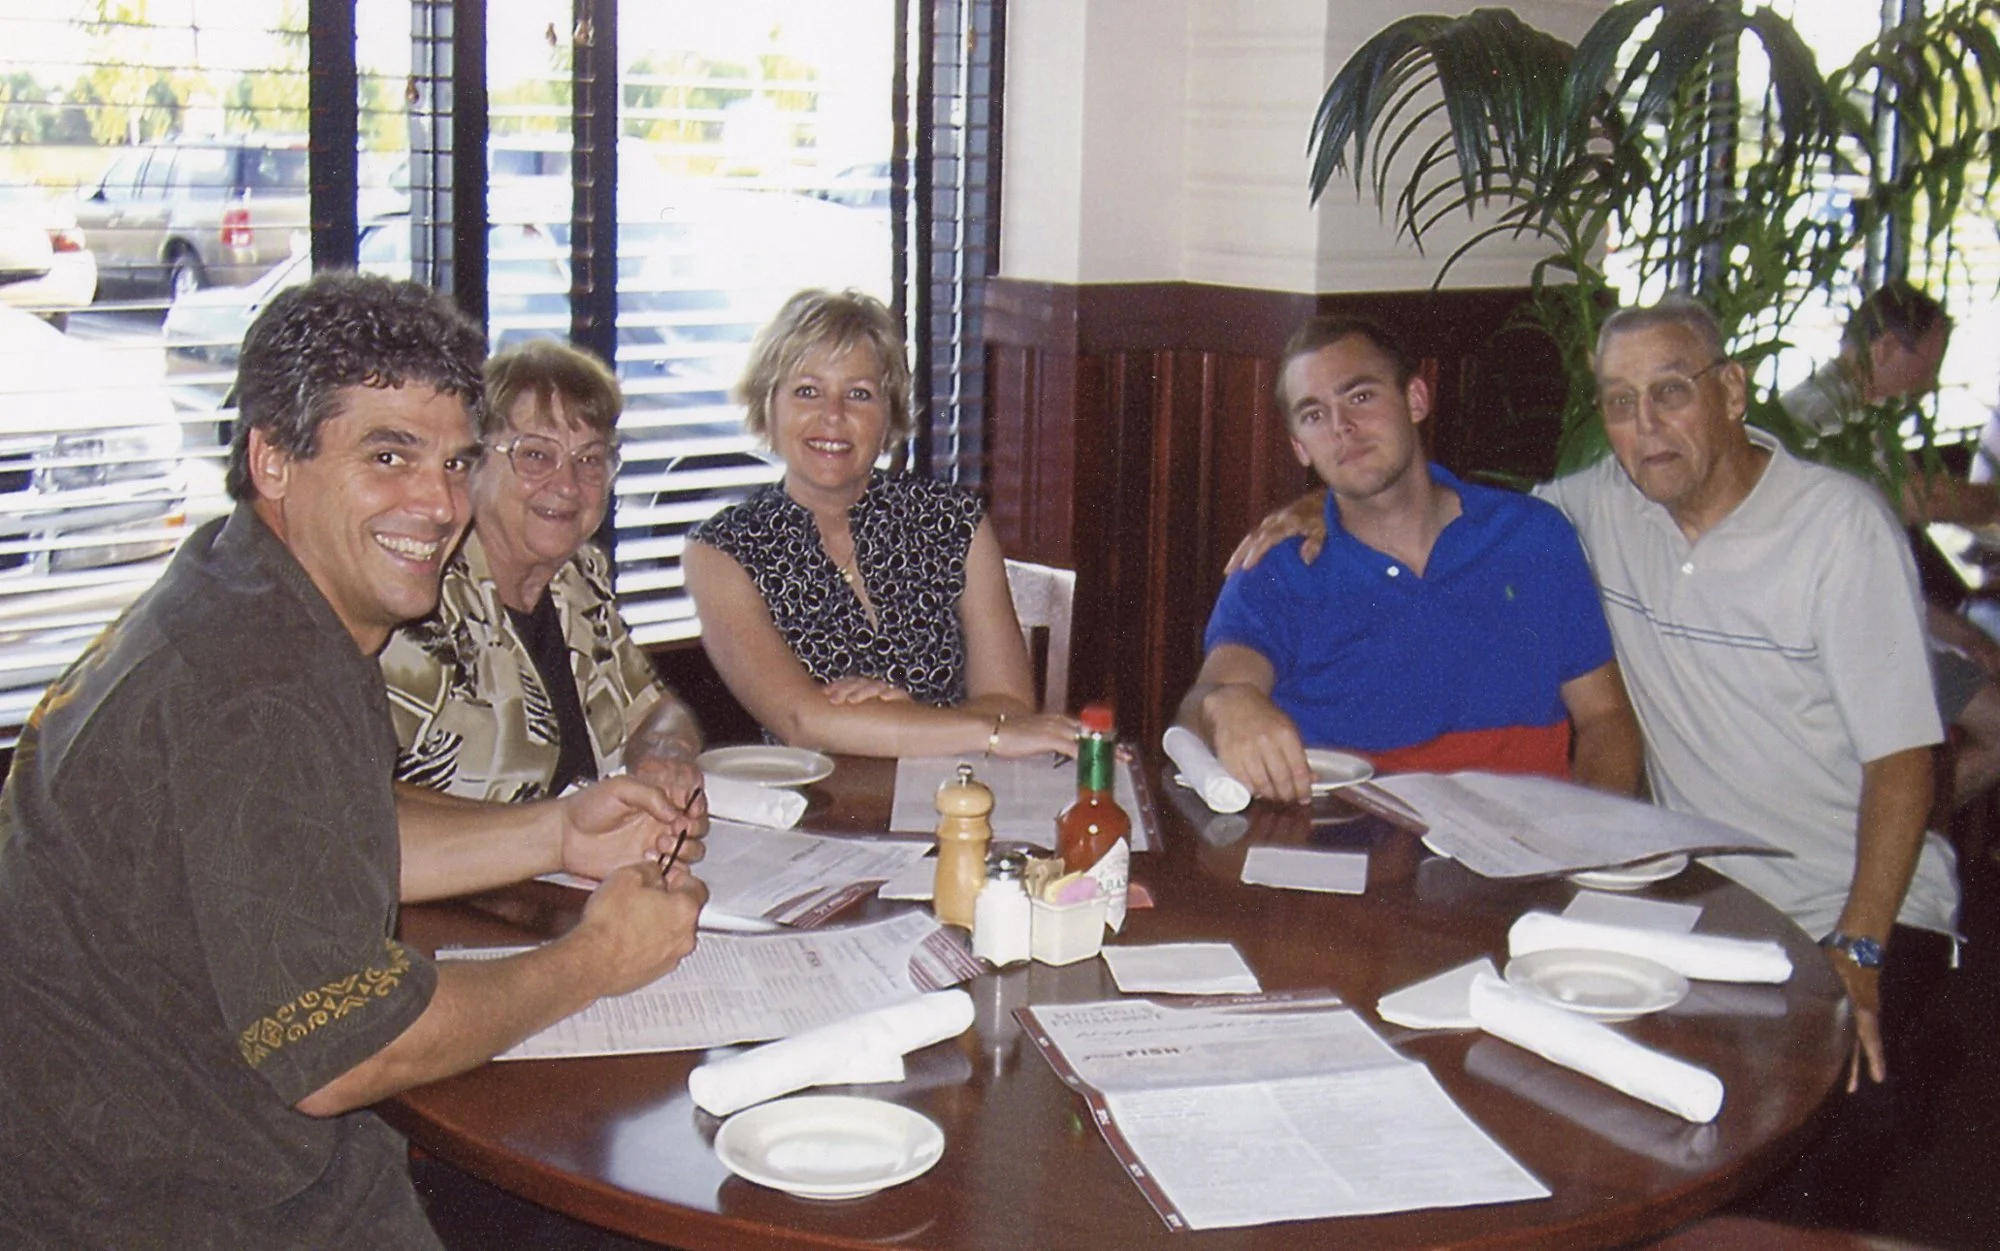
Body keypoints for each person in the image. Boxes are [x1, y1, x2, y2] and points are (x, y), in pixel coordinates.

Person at [0, 273, 708, 1248]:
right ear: (272, 460)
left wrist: (553, 831)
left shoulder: (245, 588)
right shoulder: (259, 683)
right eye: (389, 455)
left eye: (457, 463)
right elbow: (341, 1049)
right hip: (187, 1208)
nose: (438, 502)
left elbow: (311, 841)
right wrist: (596, 957)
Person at [1231, 296, 1957, 1230]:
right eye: (1619, 402)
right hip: (1690, 895)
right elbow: (1435, 506)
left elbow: (1907, 762)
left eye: (1669, 392)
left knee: (1811, 1164)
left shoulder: (1837, 530)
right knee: (1598, 1124)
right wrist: (1318, 500)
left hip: (1860, 901)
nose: (1644, 426)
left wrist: (1860, 949)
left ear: (1731, 391)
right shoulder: (1601, 508)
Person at [1177, 316, 1642, 804]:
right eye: (1315, 415)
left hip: (1526, 852)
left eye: (1360, 397)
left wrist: (1593, 834)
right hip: (1347, 857)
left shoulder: (1532, 538)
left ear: (1415, 399)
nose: (1343, 428)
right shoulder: (1279, 568)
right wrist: (1227, 704)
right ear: (1300, 448)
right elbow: (1201, 705)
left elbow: (1605, 719)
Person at [686, 288, 1078, 758]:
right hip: (815, 811)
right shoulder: (720, 550)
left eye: (859, 394)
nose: (833, 416)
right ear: (768, 406)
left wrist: (907, 720)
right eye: (807, 391)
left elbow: (1012, 706)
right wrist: (929, 724)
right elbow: (802, 721)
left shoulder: (953, 520)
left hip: (956, 794)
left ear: (888, 413)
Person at [380, 338, 706, 811]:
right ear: (474, 462)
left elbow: (655, 710)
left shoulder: (577, 579)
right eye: (535, 454)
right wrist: (555, 834)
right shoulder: (425, 597)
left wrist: (664, 755)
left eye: (590, 459)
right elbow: (363, 803)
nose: (568, 484)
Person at [1782, 282, 2000, 806]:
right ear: (1882, 349)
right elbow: (1915, 500)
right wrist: (1985, 504)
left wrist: (1956, 632)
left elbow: (1877, 572)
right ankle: (1887, 836)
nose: (1932, 383)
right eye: (1930, 362)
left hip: (1861, 621)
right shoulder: (1827, 422)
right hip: (1839, 641)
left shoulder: (1849, 412)